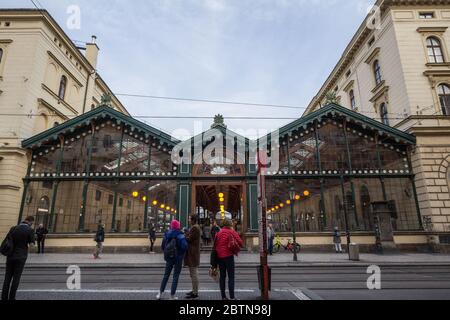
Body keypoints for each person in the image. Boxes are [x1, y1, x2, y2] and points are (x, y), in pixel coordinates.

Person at [1, 216, 36, 301]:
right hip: (21, 257)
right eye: (32, 223)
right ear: (30, 222)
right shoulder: (30, 230)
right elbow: (32, 245)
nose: (31, 224)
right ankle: (12, 298)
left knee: (7, 278)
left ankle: (4, 297)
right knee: (16, 278)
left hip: (10, 255)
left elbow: (7, 240)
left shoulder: (13, 228)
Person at [157, 220, 188, 300]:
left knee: (166, 275)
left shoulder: (167, 234)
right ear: (178, 226)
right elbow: (185, 247)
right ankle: (172, 296)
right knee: (175, 276)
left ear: (171, 226)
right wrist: (181, 254)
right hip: (178, 259)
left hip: (169, 258)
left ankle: (160, 293)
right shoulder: (180, 235)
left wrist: (167, 253)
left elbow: (163, 246)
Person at [214, 219, 243, 300]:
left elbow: (215, 245)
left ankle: (223, 296)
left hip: (220, 257)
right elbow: (241, 243)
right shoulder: (231, 231)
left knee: (222, 277)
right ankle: (232, 297)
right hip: (229, 256)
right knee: (231, 277)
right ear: (230, 224)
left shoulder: (218, 233)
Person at [184, 215, 201, 299]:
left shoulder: (195, 228)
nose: (188, 220)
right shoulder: (194, 227)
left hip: (193, 253)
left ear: (193, 220)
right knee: (193, 273)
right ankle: (194, 290)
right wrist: (187, 232)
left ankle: (195, 292)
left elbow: (189, 239)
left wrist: (185, 233)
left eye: (189, 218)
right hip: (193, 253)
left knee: (194, 273)